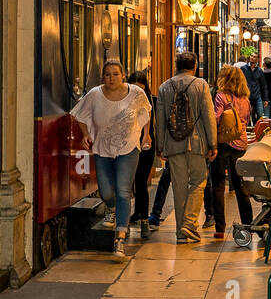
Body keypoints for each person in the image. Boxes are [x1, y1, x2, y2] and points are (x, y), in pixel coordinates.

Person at [71, 60, 151, 258]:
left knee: (123, 190)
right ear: (102, 77)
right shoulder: (95, 95)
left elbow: (146, 112)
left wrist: (146, 134)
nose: (111, 78)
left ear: (123, 75)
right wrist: (85, 134)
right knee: (106, 191)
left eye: (115, 74)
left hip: (129, 148)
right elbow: (80, 115)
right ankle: (112, 208)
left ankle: (120, 238)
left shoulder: (136, 93)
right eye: (107, 74)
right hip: (102, 148)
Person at [155, 48, 217, 243]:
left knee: (179, 187)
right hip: (197, 143)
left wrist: (160, 145)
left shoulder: (164, 87)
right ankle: (189, 223)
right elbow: (208, 116)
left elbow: (160, 119)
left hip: (173, 144)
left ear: (176, 67)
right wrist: (213, 143)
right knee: (199, 181)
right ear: (195, 67)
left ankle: (181, 234)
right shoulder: (201, 85)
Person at [210, 64, 254, 240]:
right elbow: (246, 119)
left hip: (223, 144)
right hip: (241, 144)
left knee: (218, 186)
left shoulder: (221, 96)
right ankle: (248, 224)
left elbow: (215, 118)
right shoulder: (245, 99)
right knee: (240, 187)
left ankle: (220, 228)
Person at [127, 69, 156, 239]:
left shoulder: (148, 101)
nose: (138, 92)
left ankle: (144, 220)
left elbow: (149, 124)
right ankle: (134, 216)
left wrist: (148, 137)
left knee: (141, 183)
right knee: (127, 184)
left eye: (141, 89)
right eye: (134, 88)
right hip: (128, 145)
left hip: (145, 146)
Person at [241, 49, 266, 124]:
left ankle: (257, 130)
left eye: (254, 57)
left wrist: (265, 99)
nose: (252, 57)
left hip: (257, 95)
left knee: (260, 114)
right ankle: (247, 130)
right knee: (246, 115)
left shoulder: (259, 71)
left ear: (257, 59)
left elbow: (263, 85)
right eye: (251, 56)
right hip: (246, 95)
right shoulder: (243, 69)